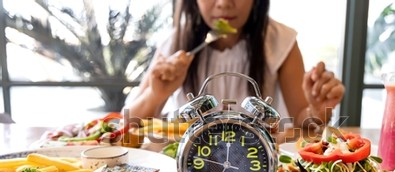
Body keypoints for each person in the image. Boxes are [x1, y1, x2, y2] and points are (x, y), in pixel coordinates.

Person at [124, 0, 345, 129]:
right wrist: (156, 94)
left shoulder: (280, 40)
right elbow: (127, 123)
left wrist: (317, 107)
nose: (224, 3)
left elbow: (305, 123)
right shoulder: (174, 43)